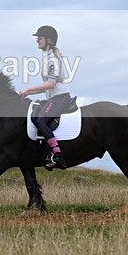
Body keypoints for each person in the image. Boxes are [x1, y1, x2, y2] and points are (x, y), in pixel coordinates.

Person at [19, 25, 72, 171]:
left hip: (60, 97)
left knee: (40, 120)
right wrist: (27, 93)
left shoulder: (52, 59)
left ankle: (58, 155)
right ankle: (47, 153)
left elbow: (51, 83)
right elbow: (47, 86)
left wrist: (29, 89)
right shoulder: (47, 57)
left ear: (48, 40)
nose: (37, 41)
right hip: (53, 96)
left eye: (40, 38)